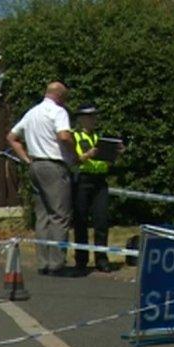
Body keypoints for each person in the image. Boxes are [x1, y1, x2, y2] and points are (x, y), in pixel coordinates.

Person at [6, 81, 80, 277]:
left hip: (35, 165)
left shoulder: (32, 113)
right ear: (60, 97)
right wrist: (74, 154)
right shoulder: (58, 112)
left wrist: (26, 158)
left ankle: (43, 261)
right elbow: (64, 136)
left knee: (43, 215)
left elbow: (11, 137)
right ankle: (57, 263)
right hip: (54, 165)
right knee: (59, 215)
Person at [71, 103, 122, 272]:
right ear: (81, 119)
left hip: (100, 180)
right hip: (82, 179)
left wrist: (115, 152)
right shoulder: (74, 136)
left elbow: (107, 159)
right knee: (81, 221)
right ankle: (81, 259)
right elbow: (73, 160)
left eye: (95, 117)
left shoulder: (100, 137)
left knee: (101, 220)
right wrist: (87, 155)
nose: (94, 120)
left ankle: (101, 259)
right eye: (90, 117)